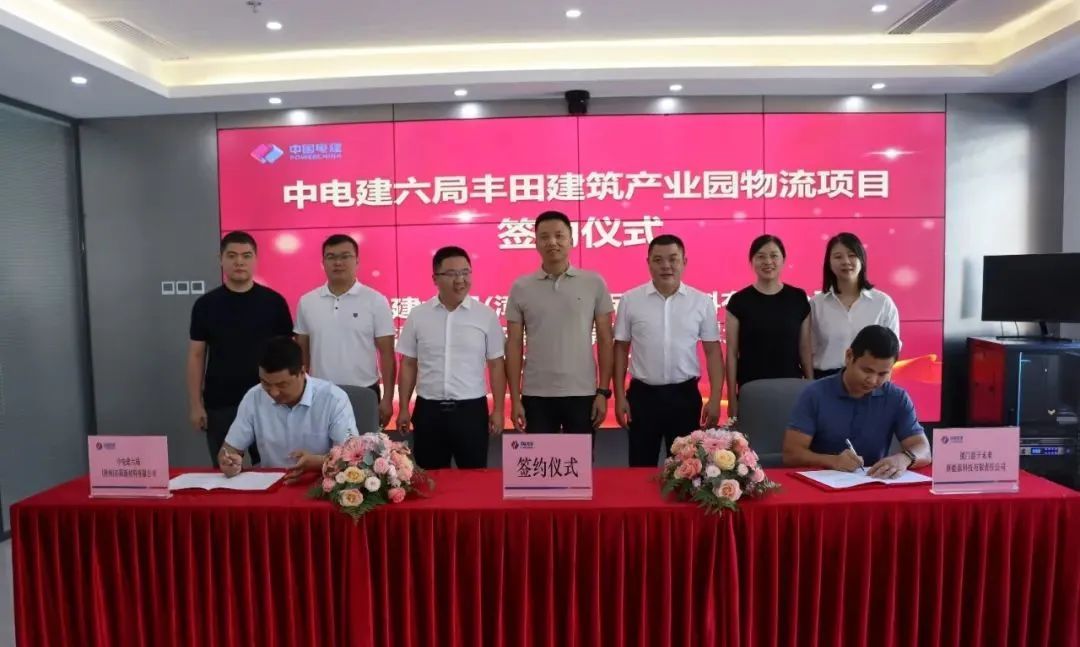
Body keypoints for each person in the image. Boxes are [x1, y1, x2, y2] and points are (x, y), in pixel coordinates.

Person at [613, 234, 724, 467]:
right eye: (658, 260)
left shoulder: (701, 301)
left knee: (687, 470)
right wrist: (620, 396)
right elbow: (621, 349)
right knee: (640, 467)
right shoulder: (630, 300)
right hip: (643, 397)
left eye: (673, 259)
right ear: (648, 263)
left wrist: (715, 398)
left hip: (684, 396)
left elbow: (713, 352)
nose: (666, 266)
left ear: (684, 262)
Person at [187, 231, 293, 467]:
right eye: (232, 255)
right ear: (221, 259)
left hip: (270, 400)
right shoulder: (205, 305)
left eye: (246, 256)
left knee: (273, 469)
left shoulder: (274, 302)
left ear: (255, 259)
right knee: (225, 468)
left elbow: (289, 355)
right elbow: (196, 355)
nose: (239, 262)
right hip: (220, 402)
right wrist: (195, 405)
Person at [506, 210, 615, 436]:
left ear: (572, 240)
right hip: (536, 393)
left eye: (559, 235)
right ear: (536, 243)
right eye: (544, 237)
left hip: (582, 391)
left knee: (580, 458)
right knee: (540, 458)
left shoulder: (594, 283)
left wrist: (603, 392)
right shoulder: (521, 287)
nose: (552, 242)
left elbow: (606, 340)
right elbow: (514, 345)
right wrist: (515, 399)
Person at [396, 247, 506, 469]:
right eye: (452, 274)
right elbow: (408, 364)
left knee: (474, 477)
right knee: (430, 478)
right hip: (429, 411)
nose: (460, 280)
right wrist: (404, 408)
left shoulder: (485, 316)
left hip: (471, 411)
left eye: (465, 273)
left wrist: (498, 410)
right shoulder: (418, 315)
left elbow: (496, 365)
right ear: (435, 278)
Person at [782, 325, 931, 478]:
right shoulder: (814, 394)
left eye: (882, 374)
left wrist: (904, 458)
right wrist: (833, 461)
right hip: (822, 482)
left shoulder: (897, 398)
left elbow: (924, 450)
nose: (873, 380)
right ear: (849, 357)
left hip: (874, 482)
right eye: (867, 371)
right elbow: (791, 455)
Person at [219, 336, 357, 482]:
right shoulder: (254, 397)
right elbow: (229, 449)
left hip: (320, 483)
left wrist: (318, 462)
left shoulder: (333, 399)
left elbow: (351, 457)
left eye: (282, 385)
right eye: (266, 383)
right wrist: (229, 461)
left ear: (302, 372)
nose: (273, 393)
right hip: (270, 484)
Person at [295, 234, 396, 427]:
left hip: (364, 392)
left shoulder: (375, 300)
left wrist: (388, 398)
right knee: (321, 447)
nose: (338, 262)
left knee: (363, 446)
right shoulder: (307, 302)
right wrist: (300, 393)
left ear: (357, 260)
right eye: (331, 257)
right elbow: (302, 353)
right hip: (320, 393)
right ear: (323, 262)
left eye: (345, 256)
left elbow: (387, 354)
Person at [725, 235, 812, 418]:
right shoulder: (739, 301)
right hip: (752, 391)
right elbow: (732, 354)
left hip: (790, 389)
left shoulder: (798, 298)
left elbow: (805, 349)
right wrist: (732, 399)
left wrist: (811, 388)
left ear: (783, 259)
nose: (768, 261)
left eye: (774, 255)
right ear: (752, 261)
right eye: (761, 256)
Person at [810, 232, 900, 378]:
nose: (846, 261)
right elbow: (809, 349)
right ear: (829, 263)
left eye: (852, 255)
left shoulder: (882, 303)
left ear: (861, 259)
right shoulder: (816, 304)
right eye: (838, 257)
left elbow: (892, 350)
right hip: (825, 380)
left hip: (869, 380)